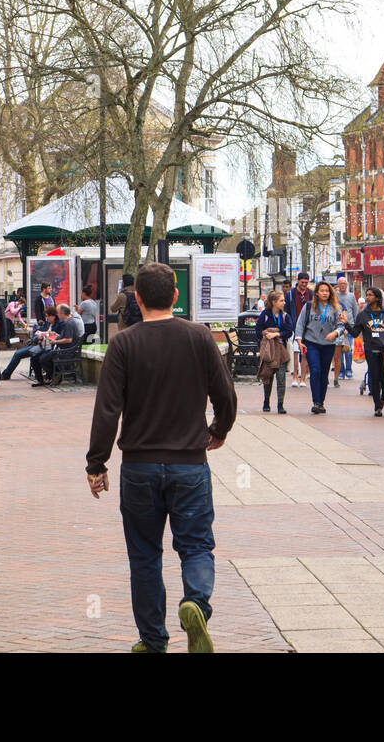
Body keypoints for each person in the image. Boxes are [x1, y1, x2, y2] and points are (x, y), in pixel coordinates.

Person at [87, 262, 237, 653]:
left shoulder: (124, 343)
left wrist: (97, 463)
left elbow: (107, 411)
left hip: (139, 466)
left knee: (144, 555)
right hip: (189, 463)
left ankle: (153, 640)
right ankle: (196, 603)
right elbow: (226, 396)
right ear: (175, 296)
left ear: (137, 298)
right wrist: (218, 430)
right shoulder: (199, 337)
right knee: (196, 546)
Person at [346, 286, 384, 417]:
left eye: (370, 295)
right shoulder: (362, 315)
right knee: (375, 378)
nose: (367, 297)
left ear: (377, 297)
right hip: (370, 349)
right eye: (367, 294)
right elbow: (355, 333)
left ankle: (383, 397)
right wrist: (346, 324)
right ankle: (377, 406)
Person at [294, 279, 343, 414]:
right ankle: (316, 401)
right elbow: (300, 323)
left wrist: (335, 333)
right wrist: (299, 340)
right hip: (312, 343)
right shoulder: (309, 306)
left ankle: (321, 402)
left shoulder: (335, 308)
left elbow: (341, 325)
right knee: (315, 370)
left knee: (324, 373)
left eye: (327, 291)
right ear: (316, 293)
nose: (325, 293)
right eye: (322, 291)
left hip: (328, 345)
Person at [256, 290, 293, 414]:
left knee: (281, 378)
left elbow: (289, 331)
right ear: (274, 302)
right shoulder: (265, 314)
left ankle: (280, 404)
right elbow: (258, 331)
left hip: (281, 351)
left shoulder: (285, 316)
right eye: (281, 300)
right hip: (268, 351)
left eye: (284, 300)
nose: (284, 302)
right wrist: (266, 334)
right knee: (268, 376)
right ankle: (266, 401)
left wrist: (276, 334)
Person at [31, 302, 84, 387]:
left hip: (65, 352)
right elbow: (65, 336)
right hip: (62, 349)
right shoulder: (69, 322)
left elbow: (68, 340)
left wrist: (55, 341)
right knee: (36, 357)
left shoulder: (69, 323)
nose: (57, 315)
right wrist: (56, 335)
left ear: (63, 313)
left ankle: (55, 375)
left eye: (58, 313)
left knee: (43, 358)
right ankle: (45, 378)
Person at [286, 273, 312, 389]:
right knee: (295, 353)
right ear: (298, 281)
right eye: (302, 282)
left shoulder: (311, 294)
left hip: (307, 327)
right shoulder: (290, 294)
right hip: (293, 327)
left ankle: (303, 378)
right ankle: (295, 377)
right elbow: (286, 312)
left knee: (304, 353)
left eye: (306, 283)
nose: (304, 285)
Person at [334, 276, 358, 382]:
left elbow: (355, 311)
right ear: (338, 285)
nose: (342, 285)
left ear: (347, 285)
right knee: (339, 351)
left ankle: (349, 370)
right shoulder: (334, 296)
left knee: (348, 350)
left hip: (350, 326)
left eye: (344, 283)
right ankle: (341, 371)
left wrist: (356, 326)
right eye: (341, 283)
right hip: (338, 327)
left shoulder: (351, 296)